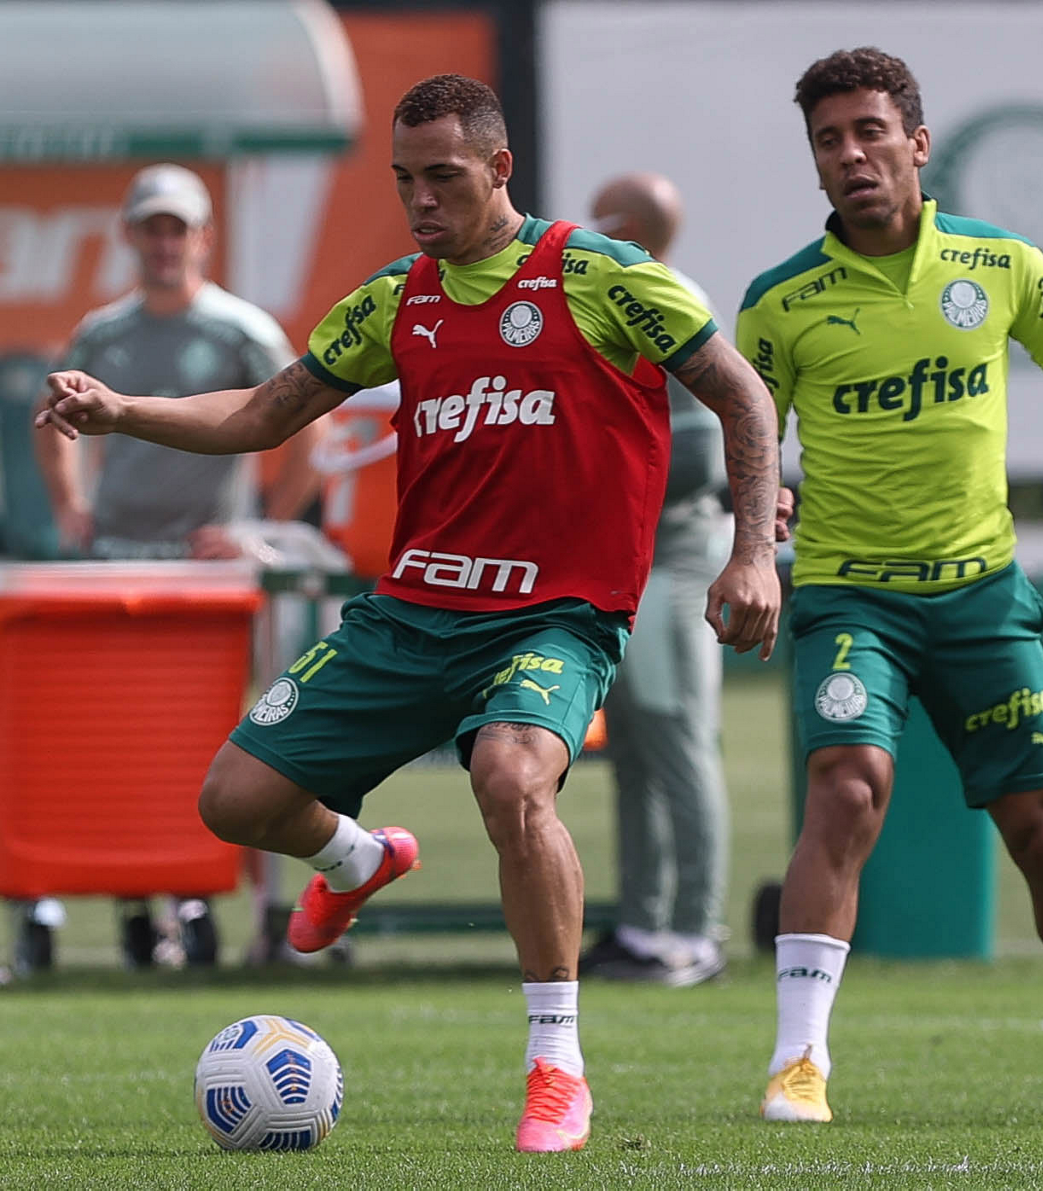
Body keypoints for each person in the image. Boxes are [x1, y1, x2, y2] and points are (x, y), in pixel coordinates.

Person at [35, 75, 782, 1152]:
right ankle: (357, 859)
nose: (420, 200)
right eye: (403, 180)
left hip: (554, 616)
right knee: (235, 800)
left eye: (442, 176)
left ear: (499, 168)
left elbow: (742, 392)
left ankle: (556, 1068)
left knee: (511, 779)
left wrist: (750, 553)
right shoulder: (397, 298)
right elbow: (262, 413)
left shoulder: (600, 275)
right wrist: (121, 411)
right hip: (411, 614)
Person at [736, 47, 1043, 1123]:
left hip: (979, 595)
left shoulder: (1001, 263)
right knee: (845, 788)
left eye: (869, 132)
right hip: (850, 597)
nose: (850, 155)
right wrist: (760, 507)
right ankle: (798, 1062)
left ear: (917, 144)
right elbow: (751, 431)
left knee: (1042, 829)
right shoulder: (780, 301)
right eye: (828, 141)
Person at [31, 162, 324, 970]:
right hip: (116, 567)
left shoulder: (239, 329)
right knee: (115, 746)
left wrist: (260, 525)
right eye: (152, 227)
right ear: (130, 235)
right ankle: (135, 902)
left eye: (178, 228)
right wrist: (70, 506)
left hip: (206, 579)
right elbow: (51, 416)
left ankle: (198, 899)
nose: (165, 243)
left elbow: (310, 422)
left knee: (211, 746)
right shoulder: (104, 331)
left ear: (203, 237)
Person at [577, 173, 732, 987]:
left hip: (672, 553)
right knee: (636, 743)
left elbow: (701, 449)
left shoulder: (667, 298)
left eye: (601, 216)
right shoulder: (621, 296)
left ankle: (695, 928)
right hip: (629, 555)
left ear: (630, 226)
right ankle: (643, 921)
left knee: (677, 732)